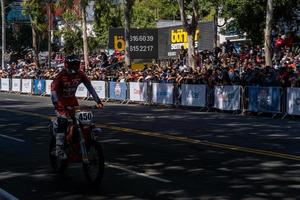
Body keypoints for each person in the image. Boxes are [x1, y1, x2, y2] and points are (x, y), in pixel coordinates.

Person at [51, 54, 104, 159]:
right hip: (61, 103)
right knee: (63, 121)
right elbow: (53, 90)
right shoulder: (61, 76)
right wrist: (57, 104)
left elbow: (89, 86)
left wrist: (98, 100)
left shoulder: (80, 74)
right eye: (72, 65)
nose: (74, 67)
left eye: (76, 65)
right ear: (66, 65)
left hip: (73, 102)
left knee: (84, 120)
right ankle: (59, 149)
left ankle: (87, 138)